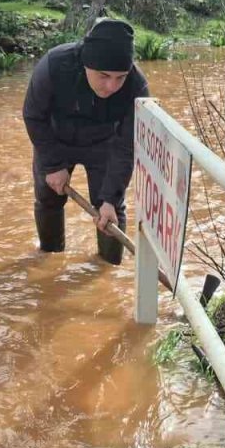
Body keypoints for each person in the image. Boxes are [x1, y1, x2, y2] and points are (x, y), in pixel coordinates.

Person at [23, 18, 150, 265]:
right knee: (48, 199)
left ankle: (107, 268)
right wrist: (52, 165)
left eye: (120, 77)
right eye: (104, 76)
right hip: (55, 139)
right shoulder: (54, 65)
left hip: (104, 145)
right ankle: (49, 257)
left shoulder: (136, 86)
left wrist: (111, 198)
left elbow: (127, 146)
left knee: (109, 211)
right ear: (85, 64)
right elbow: (33, 115)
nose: (112, 86)